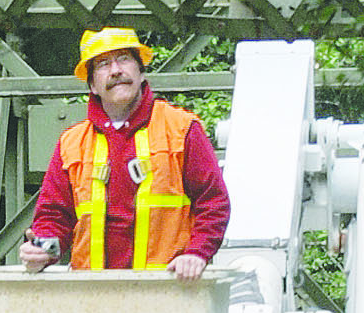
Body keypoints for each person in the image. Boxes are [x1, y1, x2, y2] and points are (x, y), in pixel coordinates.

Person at [19, 28, 230, 280]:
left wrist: (197, 253)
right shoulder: (72, 143)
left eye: (124, 59)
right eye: (103, 64)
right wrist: (40, 250)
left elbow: (213, 202)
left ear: (141, 72)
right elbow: (53, 216)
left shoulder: (181, 129)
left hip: (167, 291)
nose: (116, 70)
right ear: (92, 86)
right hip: (93, 295)